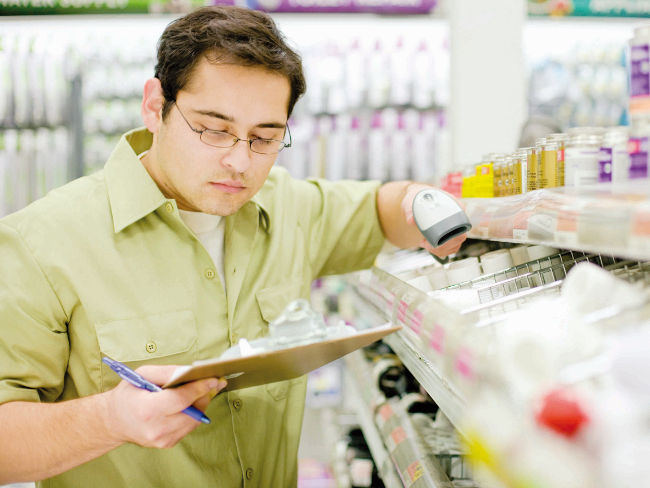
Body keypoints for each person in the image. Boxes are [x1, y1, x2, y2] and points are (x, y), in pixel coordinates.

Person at [0, 6, 466, 487]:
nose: (239, 161)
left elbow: (380, 209)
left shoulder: (289, 207)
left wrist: (424, 203)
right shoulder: (41, 243)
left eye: (264, 137)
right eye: (214, 129)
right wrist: (109, 420)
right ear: (154, 105)